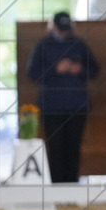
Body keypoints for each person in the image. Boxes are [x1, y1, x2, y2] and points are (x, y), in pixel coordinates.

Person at [27, 12, 100, 183]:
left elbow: (94, 70)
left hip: (77, 106)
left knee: (73, 148)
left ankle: (72, 186)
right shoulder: (42, 45)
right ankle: (56, 187)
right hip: (51, 107)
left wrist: (79, 70)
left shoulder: (79, 44)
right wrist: (55, 69)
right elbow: (32, 73)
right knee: (55, 149)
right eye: (60, 29)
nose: (63, 32)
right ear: (53, 27)